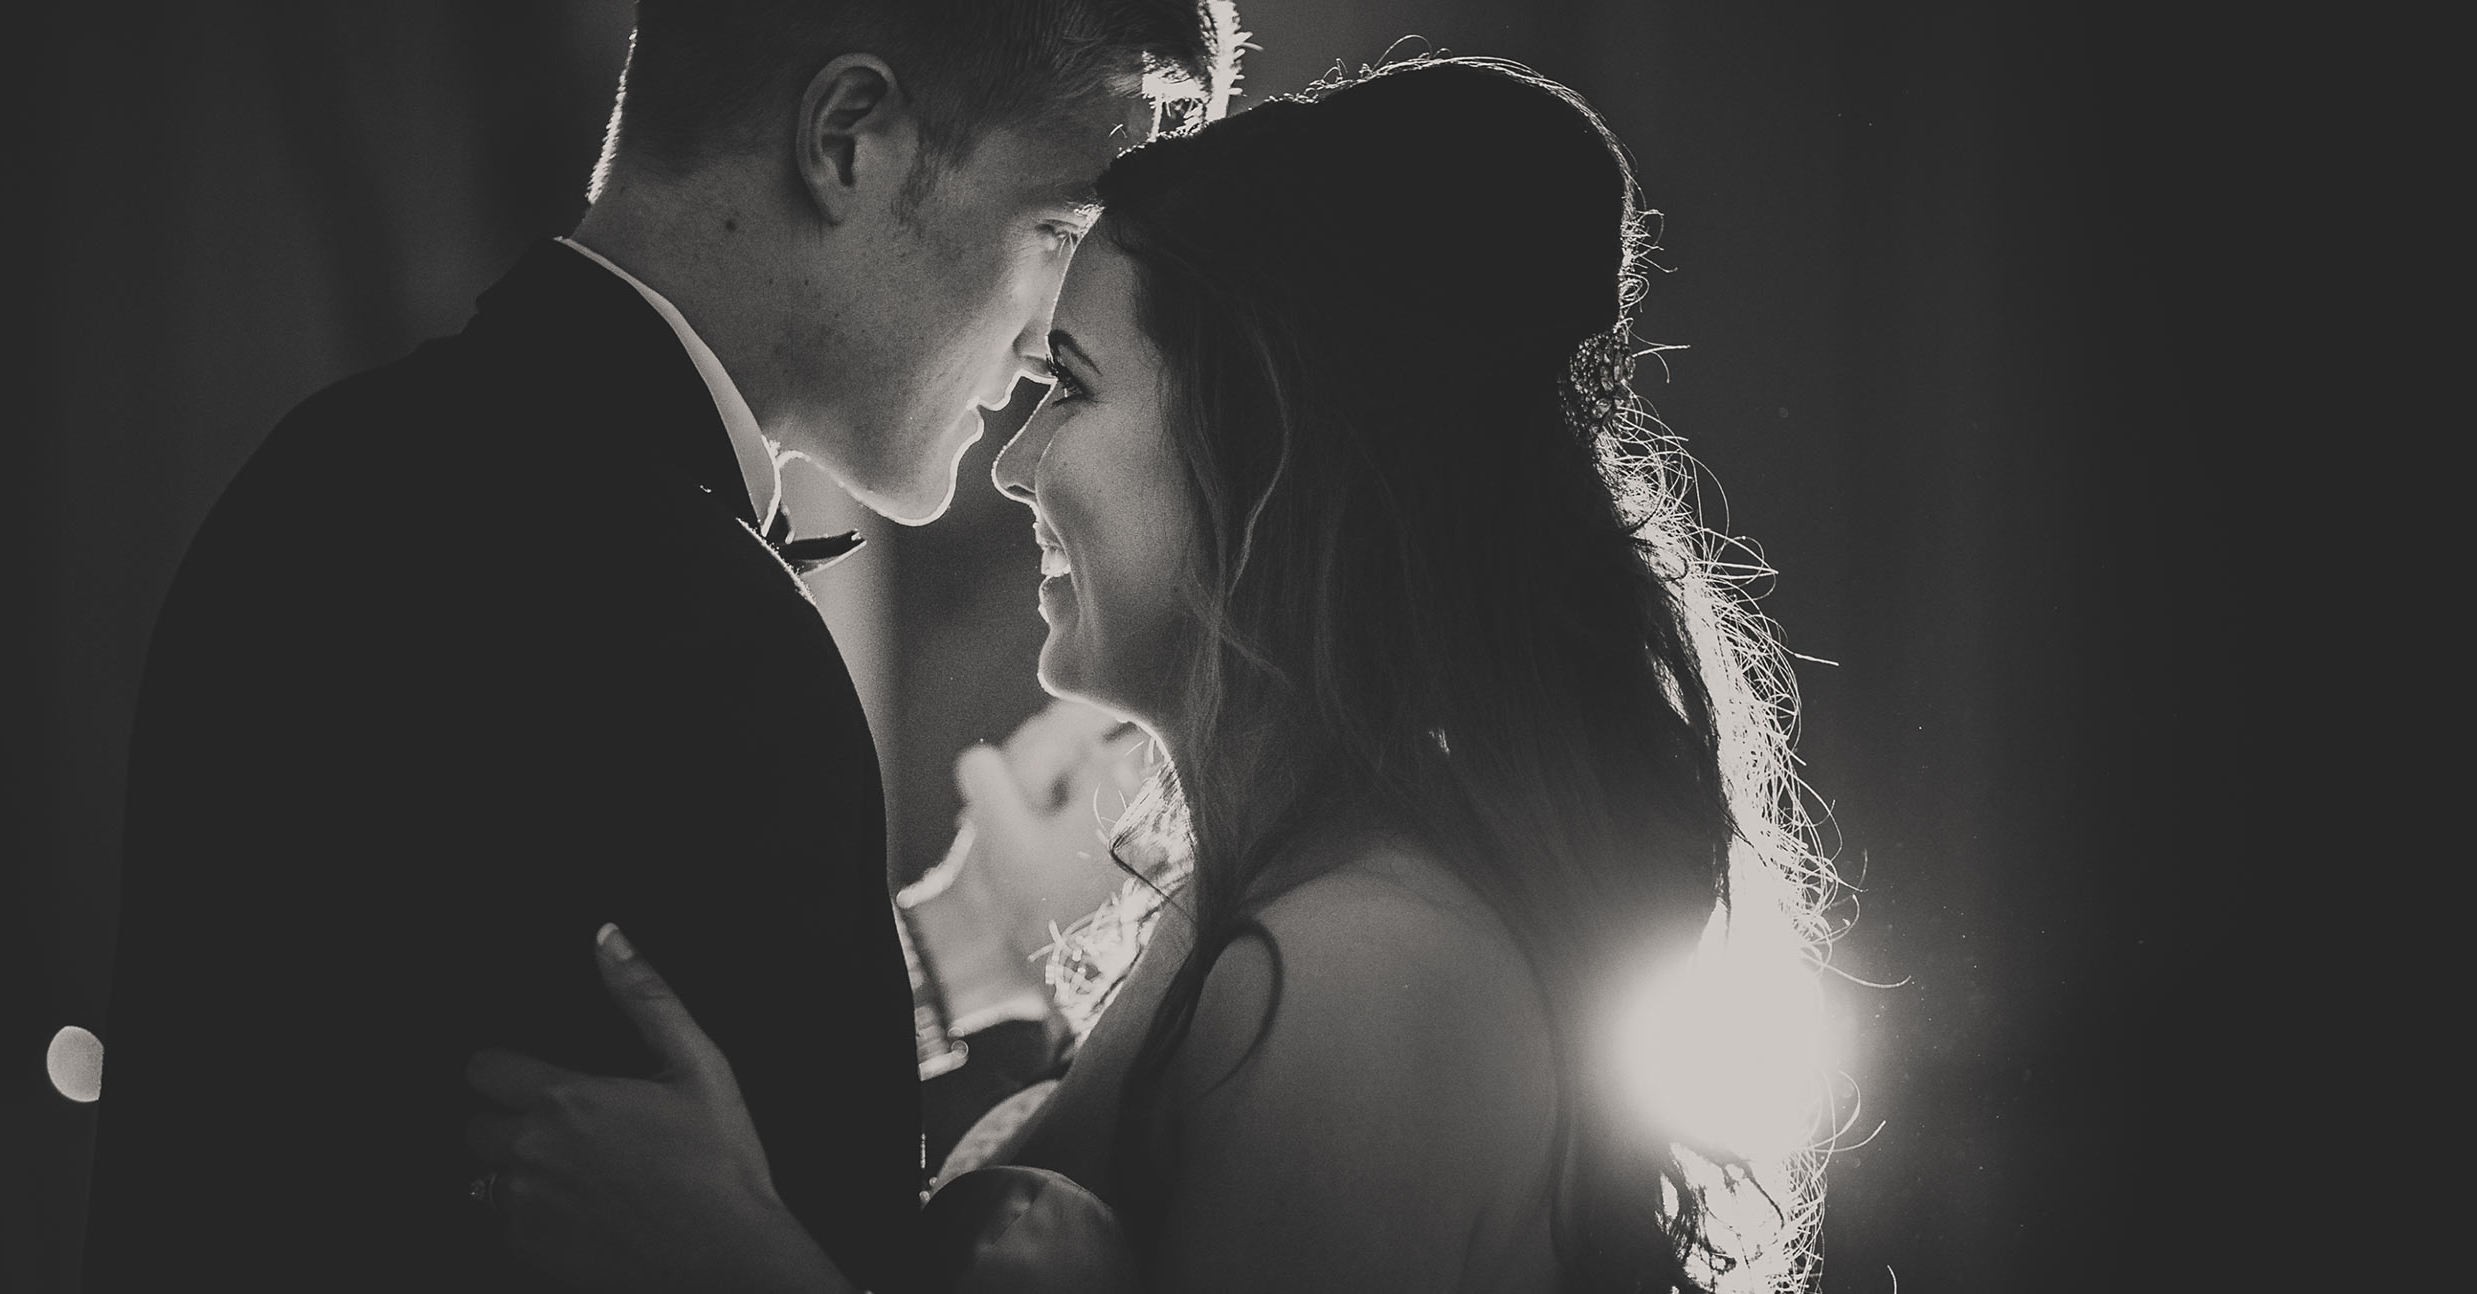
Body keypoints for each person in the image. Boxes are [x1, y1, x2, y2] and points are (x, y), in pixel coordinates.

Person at [463, 55, 1839, 1294]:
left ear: (1262, 463)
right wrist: (962, 949)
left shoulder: (1364, 970)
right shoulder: (1260, 921)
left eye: (1072, 382)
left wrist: (726, 1262)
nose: (1012, 459)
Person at [84, 3, 1234, 1289]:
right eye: (1054, 232)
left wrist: (952, 949)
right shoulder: (703, 625)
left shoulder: (320, 468)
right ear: (849, 138)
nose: (1041, 341)